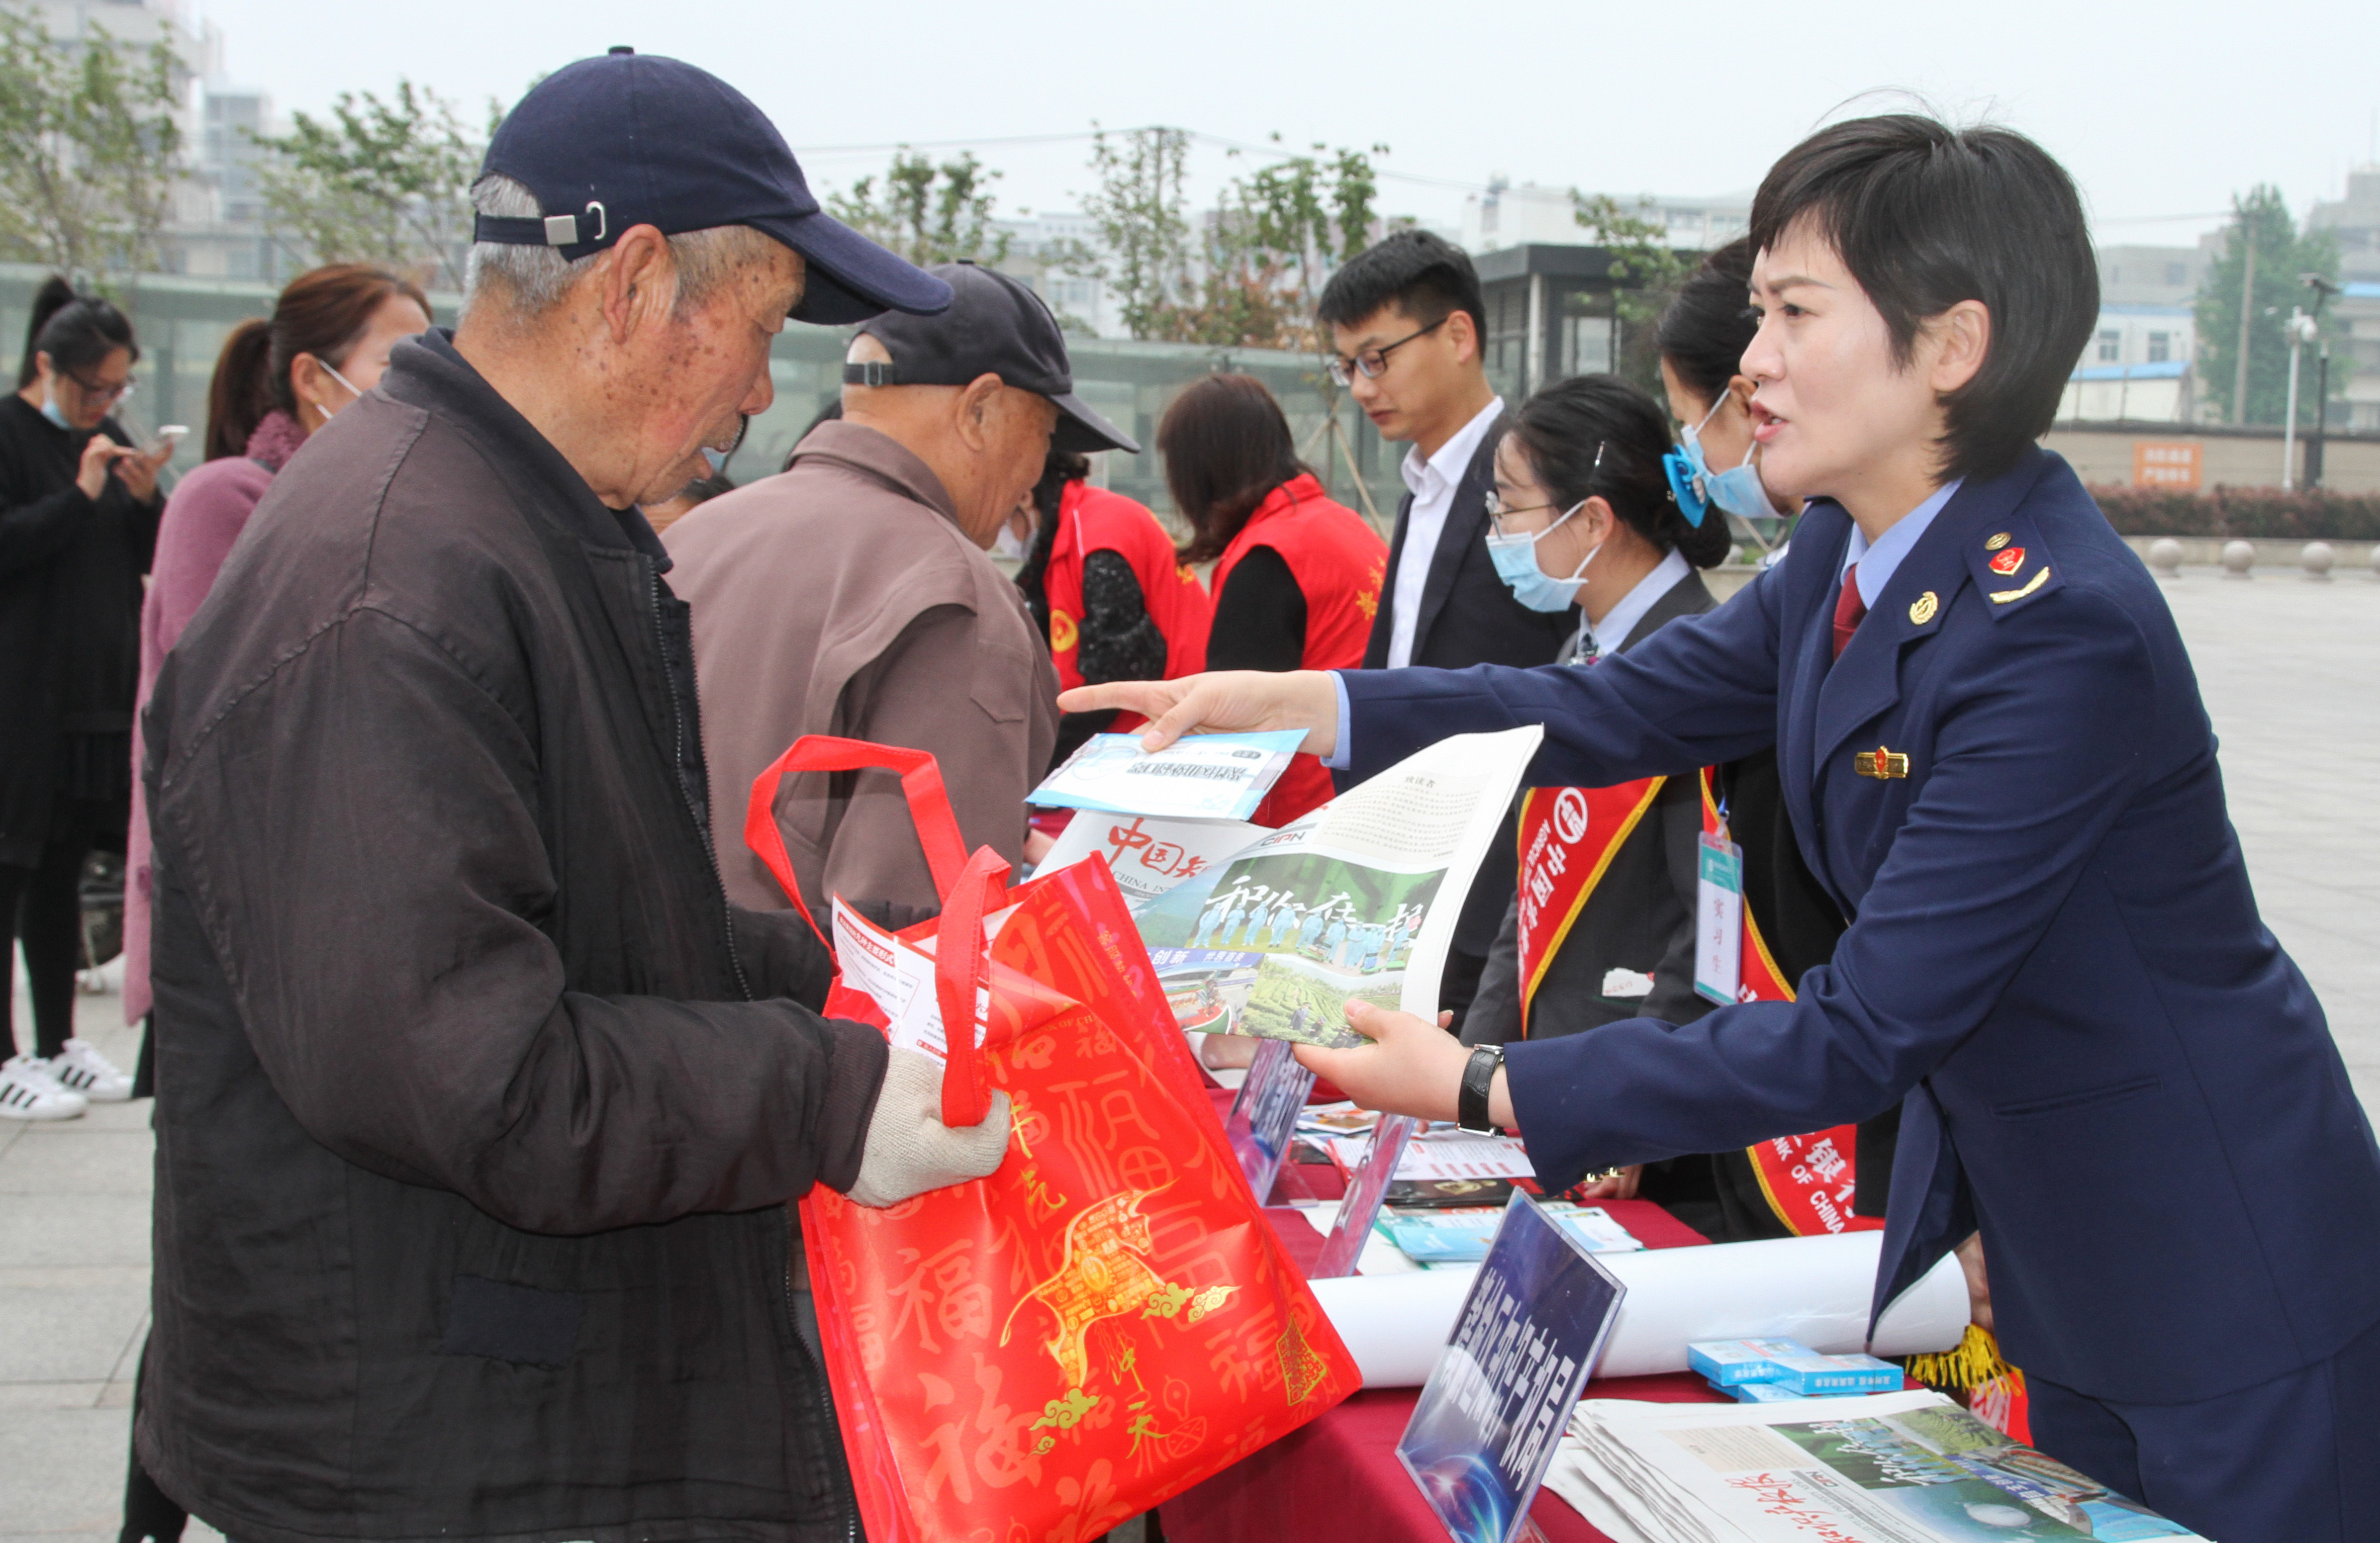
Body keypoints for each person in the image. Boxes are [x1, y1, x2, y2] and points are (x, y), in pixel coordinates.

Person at [1067, 115, 2380, 1539]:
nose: (1750, 358)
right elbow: (1604, 710)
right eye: (1758, 309)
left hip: (2215, 1270)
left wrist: (1487, 1083)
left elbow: (1865, 1024)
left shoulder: (2052, 626)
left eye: (1795, 311)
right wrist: (1307, 698)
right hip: (2063, 1245)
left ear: (1952, 347)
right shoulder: (1843, 552)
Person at [136, 53, 1011, 1543]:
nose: (759, 387)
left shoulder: (504, 516)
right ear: (637, 283)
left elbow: (599, 909)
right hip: (434, 1432)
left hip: (493, 1389)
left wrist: (858, 982)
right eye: (756, 328)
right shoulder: (393, 580)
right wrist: (827, 1092)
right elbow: (475, 1065)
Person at [667, 260, 1137, 927]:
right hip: (802, 1024)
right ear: (979, 410)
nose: (1036, 473)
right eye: (1044, 436)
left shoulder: (691, 540)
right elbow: (917, 949)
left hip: (626, 1011)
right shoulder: (962, 604)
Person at [1449, 373, 1751, 1236]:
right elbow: (1531, 886)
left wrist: (1636, 1108)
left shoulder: (1697, 664)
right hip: (1549, 1082)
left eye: (1510, 507)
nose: (1497, 533)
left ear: (1589, 520)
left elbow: (1713, 930)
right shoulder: (1585, 648)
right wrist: (1471, 1069)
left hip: (1635, 1122)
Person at [122, 264, 433, 1044]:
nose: (422, 383)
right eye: (396, 361)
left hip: (344, 919)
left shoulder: (395, 502)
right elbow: (221, 717)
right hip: (241, 919)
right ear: (312, 377)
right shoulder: (225, 497)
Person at [1319, 232, 1572, 1024]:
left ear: (1458, 336)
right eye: (1348, 365)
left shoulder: (1534, 475)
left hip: (1493, 876)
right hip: (1405, 867)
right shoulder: (1422, 484)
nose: (1362, 387)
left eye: (1377, 357)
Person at [0, 279, 171, 1121]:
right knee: (10, 864)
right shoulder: (9, 432)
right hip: (20, 692)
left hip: (90, 698)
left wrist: (140, 497)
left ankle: (58, 1040)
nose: (103, 404)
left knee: (60, 867)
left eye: (116, 389)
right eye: (90, 388)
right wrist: (79, 494)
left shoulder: (104, 440)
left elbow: (143, 548)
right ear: (47, 366)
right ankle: (4, 1053)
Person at [1158, 373, 1384, 826]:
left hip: (1302, 824)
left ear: (1201, 473)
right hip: (1368, 794)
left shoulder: (1268, 559)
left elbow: (1229, 739)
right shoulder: (1343, 524)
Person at [1012, 446, 1210, 767]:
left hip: (1169, 734)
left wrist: (1043, 766)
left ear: (1023, 497)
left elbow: (1119, 672)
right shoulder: (1074, 528)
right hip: (1153, 727)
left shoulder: (1098, 536)